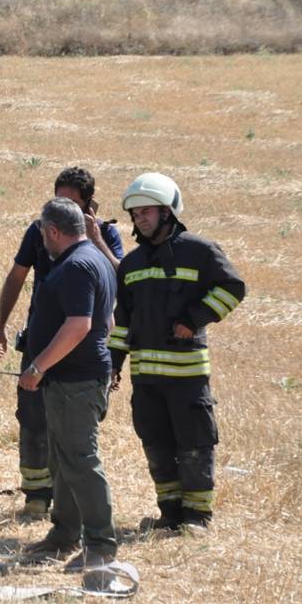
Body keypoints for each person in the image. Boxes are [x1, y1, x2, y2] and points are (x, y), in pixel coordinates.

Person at [109, 173, 245, 532]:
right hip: (146, 378)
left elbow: (233, 287)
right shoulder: (132, 265)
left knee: (194, 444)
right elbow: (122, 320)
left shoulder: (199, 251)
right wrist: (114, 363)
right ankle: (170, 516)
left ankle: (198, 518)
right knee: (156, 446)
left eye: (147, 211)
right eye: (135, 213)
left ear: (168, 212)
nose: (140, 218)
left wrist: (194, 318)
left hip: (186, 377)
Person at [0, 167, 123, 517]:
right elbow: (16, 277)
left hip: (79, 355)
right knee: (34, 420)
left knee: (74, 437)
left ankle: (83, 520)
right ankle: (37, 497)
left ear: (89, 206)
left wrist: (95, 240)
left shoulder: (102, 239)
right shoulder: (40, 231)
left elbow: (122, 282)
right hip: (41, 342)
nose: (62, 211)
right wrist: (0, 326)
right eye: (57, 201)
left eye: (72, 204)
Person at [18, 198, 118, 572]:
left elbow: (80, 325)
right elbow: (106, 321)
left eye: (43, 232)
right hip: (69, 380)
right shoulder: (93, 259)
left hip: (75, 382)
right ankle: (64, 535)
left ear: (53, 231)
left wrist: (38, 366)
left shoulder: (76, 265)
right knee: (62, 460)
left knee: (80, 460)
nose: (42, 239)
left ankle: (101, 545)